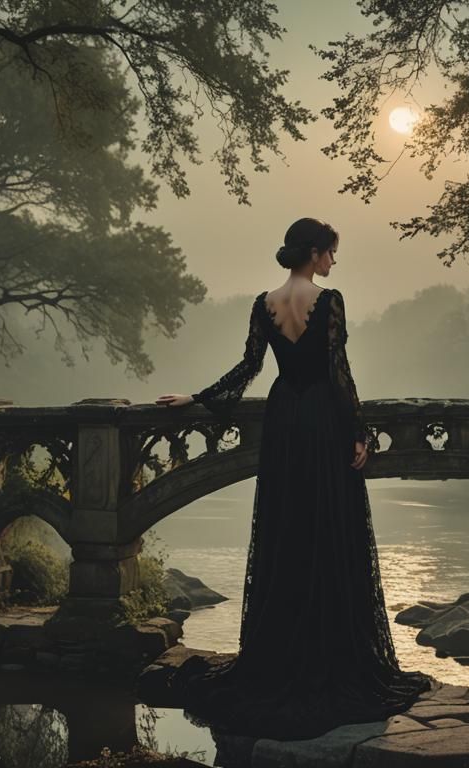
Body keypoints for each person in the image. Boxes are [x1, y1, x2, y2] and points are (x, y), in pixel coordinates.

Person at [154, 217, 433, 740]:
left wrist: (198, 397)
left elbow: (249, 366)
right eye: (331, 252)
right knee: (328, 526)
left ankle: (283, 648)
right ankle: (330, 649)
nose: (334, 261)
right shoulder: (329, 301)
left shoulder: (265, 303)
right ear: (315, 253)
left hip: (284, 420)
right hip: (322, 420)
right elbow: (339, 372)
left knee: (288, 527)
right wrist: (359, 432)